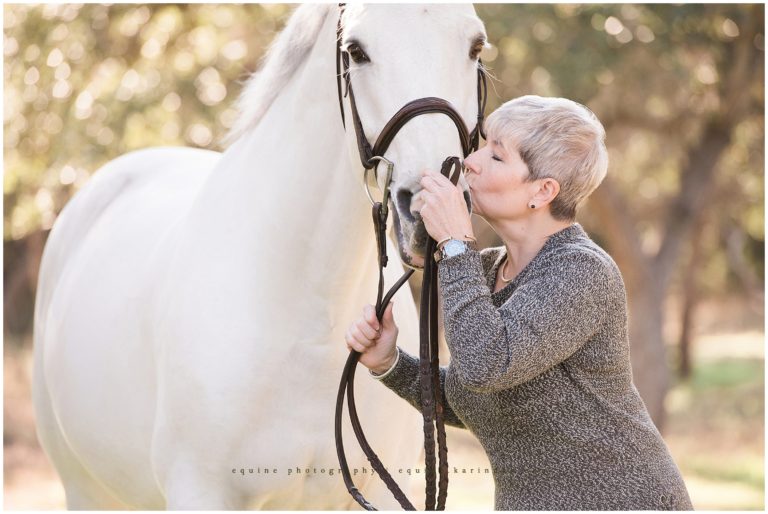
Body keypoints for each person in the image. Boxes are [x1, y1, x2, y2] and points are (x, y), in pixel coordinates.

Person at [344, 95, 693, 510]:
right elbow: (473, 397)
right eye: (482, 144)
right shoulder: (486, 272)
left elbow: (484, 364)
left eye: (496, 155)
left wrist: (456, 243)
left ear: (543, 191)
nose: (470, 161)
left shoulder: (582, 271)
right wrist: (390, 363)